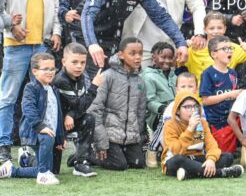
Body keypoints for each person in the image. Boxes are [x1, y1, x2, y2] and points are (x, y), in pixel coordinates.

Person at [0, 0, 62, 163]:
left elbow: (55, 7)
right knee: (8, 97)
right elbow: (0, 9)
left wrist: (56, 31)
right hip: (16, 45)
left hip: (41, 46)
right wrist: (10, 27)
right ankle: (3, 144)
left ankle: (29, 144)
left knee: (38, 97)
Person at [81, 0, 188, 80]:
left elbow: (161, 17)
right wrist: (92, 44)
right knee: (97, 83)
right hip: (87, 36)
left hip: (113, 39)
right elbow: (88, 14)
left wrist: (180, 43)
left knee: (118, 83)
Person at [0, 54, 65, 185]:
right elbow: (28, 109)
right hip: (35, 133)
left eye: (52, 69)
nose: (50, 72)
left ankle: (13, 170)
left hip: (50, 135)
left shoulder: (54, 89)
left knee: (52, 169)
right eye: (45, 69)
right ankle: (42, 175)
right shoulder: (31, 88)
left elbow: (58, 115)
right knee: (45, 166)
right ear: (34, 71)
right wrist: (40, 127)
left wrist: (60, 138)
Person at [87, 37, 147, 170]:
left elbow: (140, 114)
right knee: (120, 165)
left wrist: (139, 138)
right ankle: (86, 154)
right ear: (121, 54)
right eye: (132, 53)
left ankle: (119, 151)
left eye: (140, 53)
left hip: (129, 137)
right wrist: (101, 142)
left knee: (139, 163)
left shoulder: (140, 82)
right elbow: (95, 110)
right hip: (108, 135)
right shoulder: (107, 76)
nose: (138, 57)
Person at [162, 92, 244, 180]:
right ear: (177, 110)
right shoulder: (170, 125)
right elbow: (176, 151)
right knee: (179, 159)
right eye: (187, 107)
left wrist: (211, 159)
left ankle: (189, 173)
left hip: (197, 159)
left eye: (195, 106)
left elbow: (212, 145)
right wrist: (190, 129)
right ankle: (221, 172)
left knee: (228, 157)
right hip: (176, 160)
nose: (193, 110)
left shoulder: (202, 123)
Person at [52, 43, 99, 177]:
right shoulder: (61, 80)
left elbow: (80, 106)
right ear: (64, 62)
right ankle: (28, 158)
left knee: (89, 118)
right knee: (53, 170)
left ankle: (80, 162)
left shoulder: (80, 77)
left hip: (67, 121)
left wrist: (71, 114)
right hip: (54, 125)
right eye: (74, 62)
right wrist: (94, 86)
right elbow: (81, 105)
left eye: (82, 62)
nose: (79, 66)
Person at [184, 12, 246, 86]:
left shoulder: (233, 48)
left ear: (225, 29)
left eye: (219, 28)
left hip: (225, 95)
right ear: (205, 30)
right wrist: (184, 45)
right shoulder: (195, 49)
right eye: (211, 28)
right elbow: (176, 61)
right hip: (199, 96)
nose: (216, 31)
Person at [147, 72, 200, 167]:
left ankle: (194, 156)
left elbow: (202, 130)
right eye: (183, 87)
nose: (186, 89)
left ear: (196, 89)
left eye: (190, 86)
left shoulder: (199, 107)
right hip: (172, 136)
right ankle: (152, 150)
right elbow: (167, 132)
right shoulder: (171, 107)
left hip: (188, 137)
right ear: (177, 90)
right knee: (162, 127)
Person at [199, 36, 242, 153]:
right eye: (225, 49)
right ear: (214, 54)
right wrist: (229, 94)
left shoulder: (233, 73)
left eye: (230, 48)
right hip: (215, 123)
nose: (229, 51)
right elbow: (206, 100)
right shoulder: (208, 73)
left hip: (231, 120)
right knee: (221, 154)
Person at [140, 42, 176, 133]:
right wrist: (164, 109)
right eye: (163, 57)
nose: (167, 61)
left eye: (170, 58)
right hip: (157, 116)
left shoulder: (174, 76)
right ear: (153, 57)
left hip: (176, 113)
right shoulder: (149, 77)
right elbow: (149, 101)